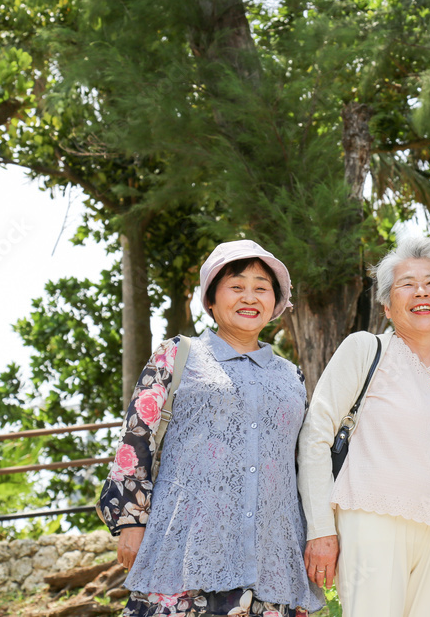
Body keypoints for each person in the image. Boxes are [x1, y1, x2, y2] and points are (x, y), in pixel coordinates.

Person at [98, 240, 323, 617]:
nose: (249, 297)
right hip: (184, 556)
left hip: (270, 564)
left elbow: (304, 465)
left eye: (261, 288)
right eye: (236, 286)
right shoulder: (177, 355)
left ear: (275, 303)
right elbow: (136, 440)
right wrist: (130, 523)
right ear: (212, 300)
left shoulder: (291, 377)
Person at [297, 235, 430, 617]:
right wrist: (320, 529)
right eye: (407, 284)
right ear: (386, 304)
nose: (422, 292)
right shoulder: (365, 349)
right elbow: (316, 435)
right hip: (371, 524)